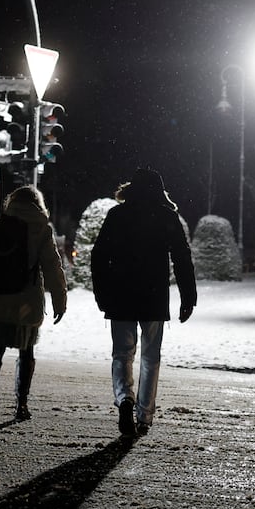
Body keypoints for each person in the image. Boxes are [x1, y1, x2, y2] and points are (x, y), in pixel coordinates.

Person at [91, 168, 197, 437]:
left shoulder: (117, 215)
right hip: (153, 295)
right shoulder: (166, 217)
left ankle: (124, 398)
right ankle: (144, 414)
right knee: (151, 357)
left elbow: (99, 256)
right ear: (159, 191)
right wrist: (188, 297)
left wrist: (102, 293)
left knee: (122, 354)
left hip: (121, 294)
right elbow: (182, 258)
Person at [0, 185, 68, 426]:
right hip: (24, 302)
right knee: (26, 352)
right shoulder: (41, 228)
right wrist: (60, 300)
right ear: (38, 203)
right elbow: (53, 268)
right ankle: (21, 404)